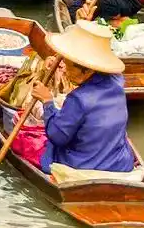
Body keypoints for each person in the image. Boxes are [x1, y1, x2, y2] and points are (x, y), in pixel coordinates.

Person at [28, 21, 133, 175]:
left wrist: (47, 101)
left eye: (70, 66)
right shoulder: (117, 81)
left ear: (88, 70)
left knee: (32, 144)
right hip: (118, 162)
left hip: (83, 165)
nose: (66, 70)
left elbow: (57, 136)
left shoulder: (78, 99)